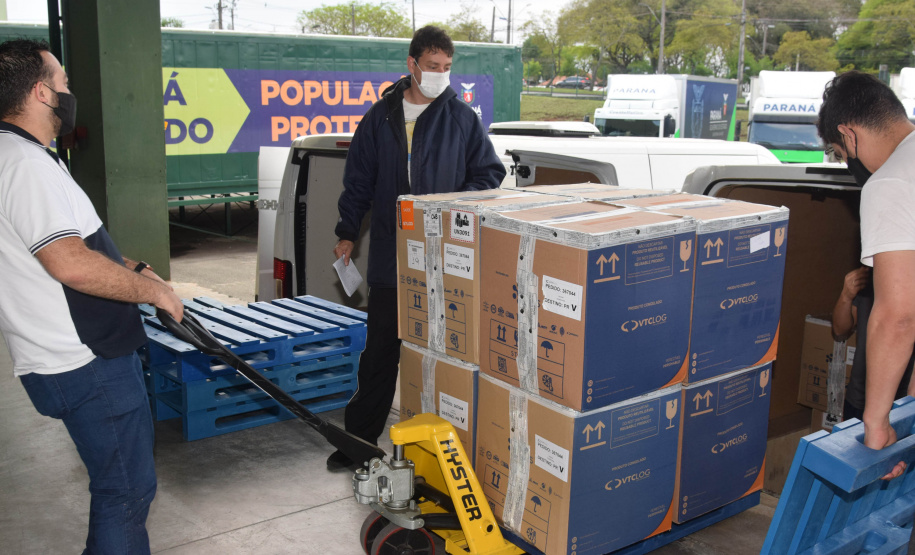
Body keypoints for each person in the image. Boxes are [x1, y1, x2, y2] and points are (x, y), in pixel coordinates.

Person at [0, 39, 184, 554]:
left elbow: (69, 245)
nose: (69, 91)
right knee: (125, 493)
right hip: (84, 361)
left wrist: (131, 267)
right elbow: (70, 264)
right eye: (62, 81)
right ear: (41, 93)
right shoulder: (26, 165)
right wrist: (155, 293)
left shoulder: (17, 155)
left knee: (116, 488)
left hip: (53, 355)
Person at [329, 26, 505, 470]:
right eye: (432, 66)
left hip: (446, 261)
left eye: (447, 67)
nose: (440, 74)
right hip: (392, 258)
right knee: (380, 352)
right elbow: (358, 181)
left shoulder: (460, 118)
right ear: (412, 65)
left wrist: (451, 208)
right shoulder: (380, 117)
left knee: (444, 355)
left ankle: (444, 449)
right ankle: (358, 442)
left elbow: (489, 174)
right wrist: (347, 231)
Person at [818, 71, 915, 494]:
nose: (851, 165)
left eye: (843, 154)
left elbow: (898, 314)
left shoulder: (892, 181)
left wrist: (876, 423)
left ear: (849, 134)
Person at [831, 266, 915, 421]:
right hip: (860, 397)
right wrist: (846, 296)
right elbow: (840, 330)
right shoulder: (869, 276)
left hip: (903, 402)